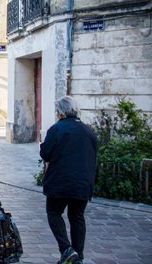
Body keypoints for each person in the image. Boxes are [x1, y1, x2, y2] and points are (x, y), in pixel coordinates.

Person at [40, 96, 97, 264]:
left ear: (60, 112)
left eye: (57, 111)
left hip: (60, 182)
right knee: (77, 216)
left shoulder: (57, 129)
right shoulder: (88, 131)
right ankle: (77, 256)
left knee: (54, 213)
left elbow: (45, 154)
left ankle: (67, 250)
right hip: (83, 182)